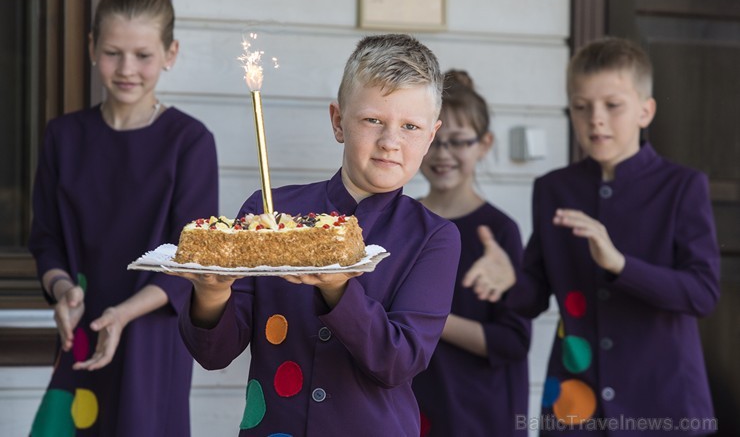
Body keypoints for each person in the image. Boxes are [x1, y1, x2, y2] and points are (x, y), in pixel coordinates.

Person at [175, 34, 461, 436]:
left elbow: (398, 362)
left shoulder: (435, 238)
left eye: (410, 126)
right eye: (373, 120)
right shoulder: (268, 214)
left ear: (430, 137)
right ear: (338, 121)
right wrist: (211, 293)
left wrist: (340, 290)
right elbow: (213, 354)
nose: (390, 142)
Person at [28, 0, 218, 437]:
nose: (126, 68)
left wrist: (124, 313)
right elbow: (46, 238)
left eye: (143, 55)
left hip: (152, 335)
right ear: (93, 47)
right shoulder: (64, 137)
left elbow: (190, 257)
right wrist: (61, 291)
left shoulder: (188, 142)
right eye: (113, 52)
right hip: (82, 325)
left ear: (169, 55)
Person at [503, 37, 720, 435]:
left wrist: (619, 265)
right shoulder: (554, 189)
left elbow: (702, 294)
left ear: (645, 110)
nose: (595, 119)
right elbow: (532, 296)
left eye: (612, 105)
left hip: (664, 402)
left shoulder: (682, 187)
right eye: (581, 107)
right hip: (575, 405)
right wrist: (504, 279)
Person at [412, 70, 531, 437]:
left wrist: (430, 319)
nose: (444, 154)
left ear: (484, 144)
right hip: (412, 404)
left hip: (480, 412)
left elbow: (512, 341)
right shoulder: (401, 222)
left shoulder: (499, 231)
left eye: (459, 142)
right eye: (435, 140)